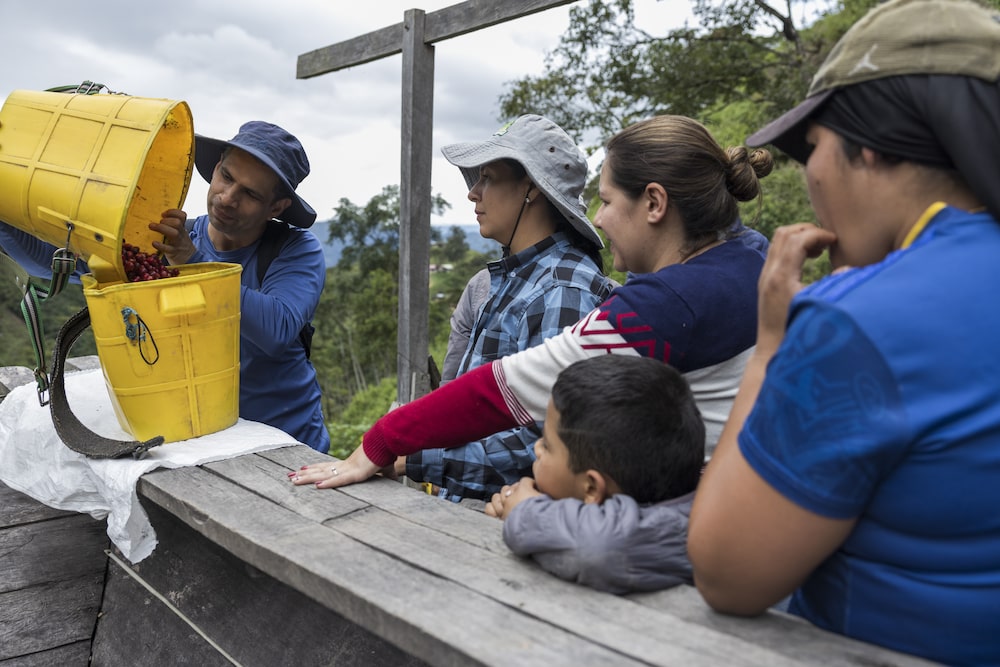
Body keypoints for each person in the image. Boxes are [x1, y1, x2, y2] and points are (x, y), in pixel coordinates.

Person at [685, 1, 1000, 664]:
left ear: (871, 141)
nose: (812, 174)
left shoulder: (855, 317)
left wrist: (771, 346)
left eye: (813, 146)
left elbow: (726, 569)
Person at [290, 114, 773, 490]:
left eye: (606, 201)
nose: (599, 219)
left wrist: (386, 444)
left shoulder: (659, 305)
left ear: (654, 203)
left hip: (705, 522)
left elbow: (505, 394)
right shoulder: (751, 258)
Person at [0, 121, 331, 453]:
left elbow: (277, 329)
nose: (228, 198)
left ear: (276, 207)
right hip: (195, 438)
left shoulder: (295, 250)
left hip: (285, 443)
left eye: (250, 193)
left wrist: (192, 261)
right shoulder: (161, 240)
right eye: (227, 177)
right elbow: (52, 260)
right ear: (215, 169)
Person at [401, 114, 615, 501]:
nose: (473, 192)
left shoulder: (563, 291)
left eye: (488, 178)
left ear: (530, 189)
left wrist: (410, 457)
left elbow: (540, 443)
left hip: (502, 530)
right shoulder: (516, 277)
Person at [485, 354, 704, 595]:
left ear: (591, 488)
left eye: (547, 445)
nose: (536, 448)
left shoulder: (676, 531)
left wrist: (524, 512)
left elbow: (600, 549)